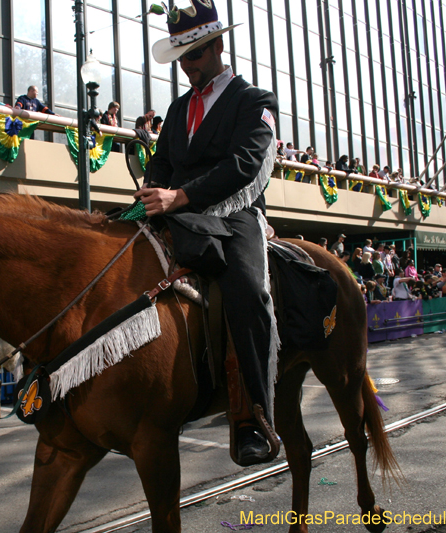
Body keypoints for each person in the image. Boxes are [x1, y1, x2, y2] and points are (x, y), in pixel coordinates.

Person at [136, 0, 279, 466]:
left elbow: (244, 165)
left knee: (247, 286)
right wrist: (151, 189)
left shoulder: (253, 100)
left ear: (218, 45)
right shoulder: (177, 111)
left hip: (234, 212)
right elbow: (161, 164)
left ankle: (253, 416)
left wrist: (180, 196)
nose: (187, 66)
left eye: (194, 55)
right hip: (177, 211)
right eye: (182, 58)